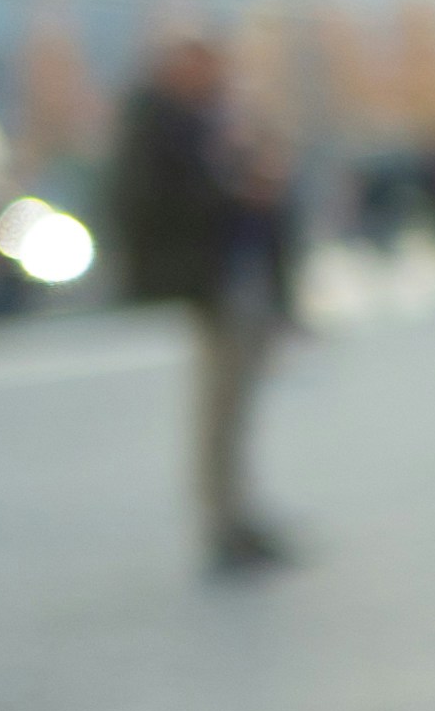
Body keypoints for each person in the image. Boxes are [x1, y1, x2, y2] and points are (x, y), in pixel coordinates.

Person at [110, 35, 296, 576]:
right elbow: (165, 207)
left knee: (234, 410)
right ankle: (224, 523)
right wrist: (239, 191)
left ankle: (237, 514)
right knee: (222, 410)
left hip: (232, 278)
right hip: (212, 282)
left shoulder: (201, 120)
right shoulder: (162, 128)